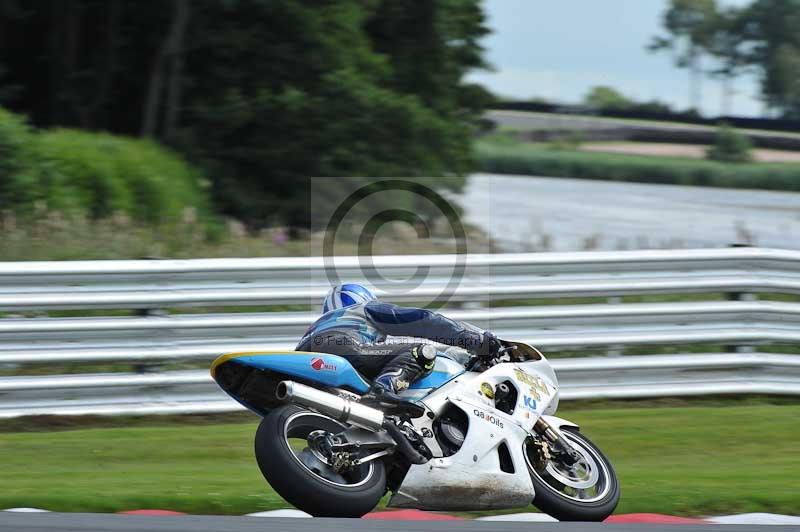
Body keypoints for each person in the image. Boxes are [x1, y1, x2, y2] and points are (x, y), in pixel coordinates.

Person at [296, 283, 502, 409]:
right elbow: (423, 321)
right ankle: (384, 391)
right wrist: (474, 340)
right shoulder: (362, 310)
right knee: (421, 351)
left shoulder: (317, 325)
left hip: (305, 361)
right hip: (344, 348)